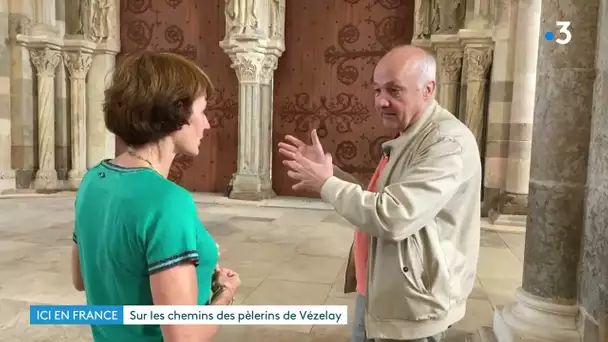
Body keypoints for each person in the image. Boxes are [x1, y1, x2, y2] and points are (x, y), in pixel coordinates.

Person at [278, 45, 481, 342]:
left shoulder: (446, 142)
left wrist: (326, 185)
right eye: (376, 90)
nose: (381, 101)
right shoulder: (411, 133)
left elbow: (393, 215)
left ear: (428, 89)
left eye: (394, 90)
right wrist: (330, 173)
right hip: (381, 287)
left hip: (413, 302)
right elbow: (379, 196)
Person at [71, 51, 241, 342]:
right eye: (201, 111)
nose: (207, 124)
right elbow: (184, 336)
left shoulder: (92, 180)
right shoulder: (168, 201)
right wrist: (225, 294)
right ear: (176, 113)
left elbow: (82, 279)